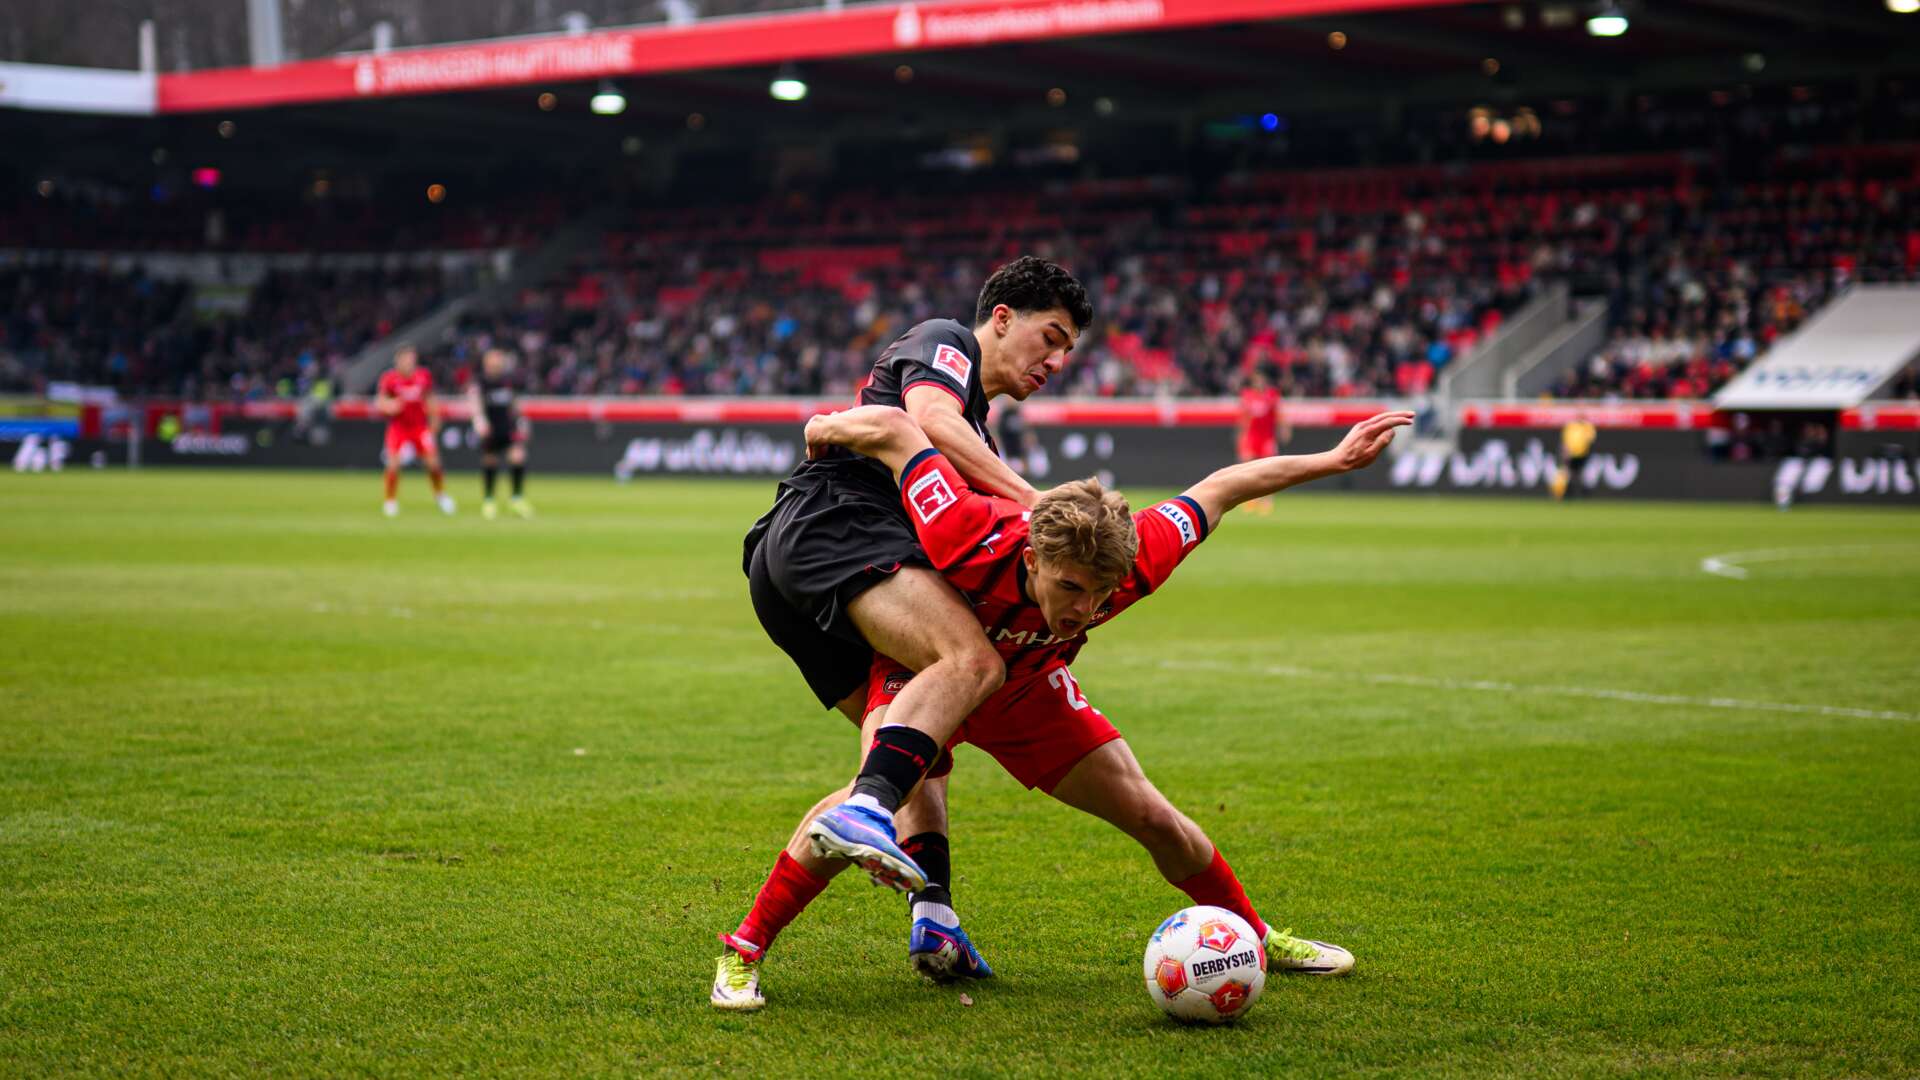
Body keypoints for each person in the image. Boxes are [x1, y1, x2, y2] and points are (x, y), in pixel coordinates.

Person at [710, 403, 1413, 1010]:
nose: (1087, 609)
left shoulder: (1136, 555)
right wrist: (826, 427)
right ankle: (743, 950)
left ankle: (1254, 936)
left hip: (1028, 690)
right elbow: (897, 428)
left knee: (1152, 815)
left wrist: (1334, 458)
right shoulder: (968, 527)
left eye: (1102, 595)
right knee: (867, 809)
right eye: (1072, 589)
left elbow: (1223, 486)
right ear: (1034, 557)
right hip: (930, 672)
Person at [735, 257, 1092, 990]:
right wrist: (1043, 507)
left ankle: (923, 917)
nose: (1055, 361)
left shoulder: (981, 436)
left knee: (918, 739)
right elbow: (927, 422)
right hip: (838, 529)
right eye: (1049, 337)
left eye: (1067, 351)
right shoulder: (946, 342)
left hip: (795, 569)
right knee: (971, 668)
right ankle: (870, 817)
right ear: (1001, 319)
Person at [376, 344, 454, 517]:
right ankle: (390, 501)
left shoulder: (423, 376)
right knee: (393, 464)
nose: (409, 362)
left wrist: (435, 419)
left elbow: (430, 399)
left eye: (412, 358)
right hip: (399, 428)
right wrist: (390, 406)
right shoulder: (389, 379)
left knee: (433, 463)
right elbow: (381, 402)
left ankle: (441, 496)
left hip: (419, 427)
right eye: (406, 359)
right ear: (398, 360)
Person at [467, 348, 533, 520]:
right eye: (493, 362)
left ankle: (517, 499)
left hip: (507, 427)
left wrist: (521, 421)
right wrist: (479, 421)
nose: (496, 365)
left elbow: (515, 404)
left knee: (518, 457)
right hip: (490, 428)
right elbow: (475, 404)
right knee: (490, 461)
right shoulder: (480, 382)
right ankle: (489, 500)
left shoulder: (508, 381)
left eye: (498, 362)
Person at [1235, 367, 1287, 515]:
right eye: (1256, 380)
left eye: (1261, 380)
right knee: (1246, 470)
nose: (1259, 382)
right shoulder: (1247, 396)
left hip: (1266, 438)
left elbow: (1279, 414)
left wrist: (1283, 429)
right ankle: (1249, 500)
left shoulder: (1271, 395)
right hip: (1252, 437)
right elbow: (1243, 419)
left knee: (1269, 470)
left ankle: (1266, 501)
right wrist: (1242, 437)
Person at [1558, 411, 1596, 501]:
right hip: (1571, 455)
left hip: (1583, 455)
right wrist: (1565, 453)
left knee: (1581, 474)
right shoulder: (1570, 427)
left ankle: (1585, 495)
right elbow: (1565, 442)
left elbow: (1591, 440)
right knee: (1569, 474)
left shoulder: (1587, 427)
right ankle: (1568, 495)